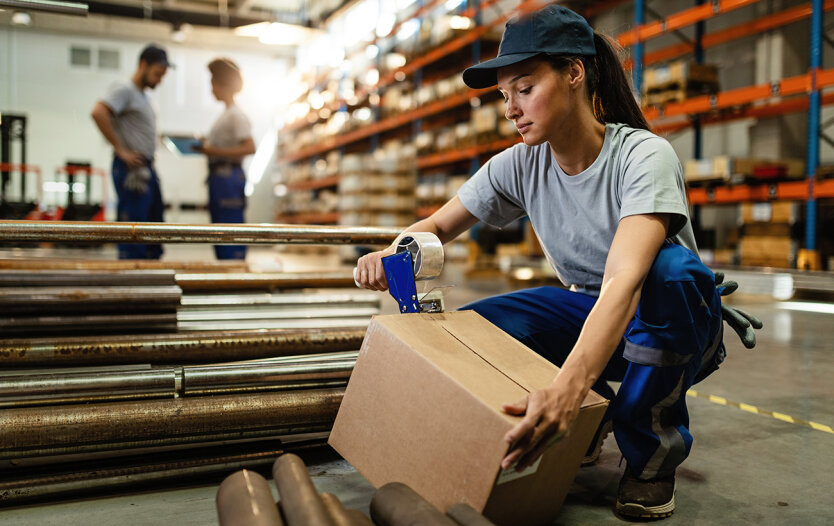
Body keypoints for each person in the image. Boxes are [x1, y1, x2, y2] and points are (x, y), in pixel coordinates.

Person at [355, 5, 760, 520]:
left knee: (670, 272)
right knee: (481, 325)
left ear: (574, 73)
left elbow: (624, 281)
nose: (510, 109)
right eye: (505, 95)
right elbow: (434, 226)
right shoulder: (520, 164)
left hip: (671, 324)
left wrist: (567, 388)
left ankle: (650, 458)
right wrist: (394, 249)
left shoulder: (643, 156)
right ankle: (594, 418)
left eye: (524, 88)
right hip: (595, 316)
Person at [91, 44, 170, 259]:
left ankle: (152, 283)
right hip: (131, 169)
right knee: (134, 232)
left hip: (146, 168)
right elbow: (99, 112)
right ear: (143, 65)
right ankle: (133, 282)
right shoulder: (125, 89)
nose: (159, 80)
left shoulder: (144, 97)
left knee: (154, 231)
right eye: (157, 74)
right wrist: (121, 150)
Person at [193, 58, 255, 260]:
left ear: (223, 85)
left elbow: (249, 147)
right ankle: (226, 274)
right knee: (221, 232)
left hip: (228, 178)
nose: (211, 90)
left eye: (213, 84)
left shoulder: (236, 115)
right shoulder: (226, 114)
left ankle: (234, 275)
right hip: (220, 179)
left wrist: (214, 151)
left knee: (230, 233)